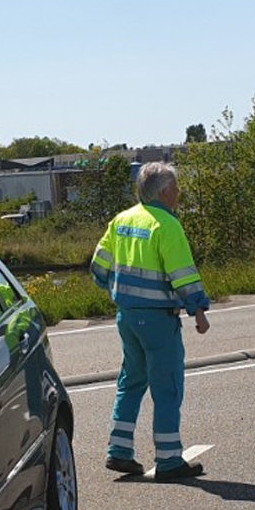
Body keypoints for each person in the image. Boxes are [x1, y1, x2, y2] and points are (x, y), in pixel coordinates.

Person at [91, 162, 211, 480]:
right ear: (164, 191)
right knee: (167, 387)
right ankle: (170, 460)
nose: (179, 193)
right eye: (176, 187)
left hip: (127, 316)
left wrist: (119, 293)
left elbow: (98, 267)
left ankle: (119, 452)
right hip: (158, 318)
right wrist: (197, 310)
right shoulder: (167, 225)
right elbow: (182, 274)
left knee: (130, 382)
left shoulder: (122, 220)